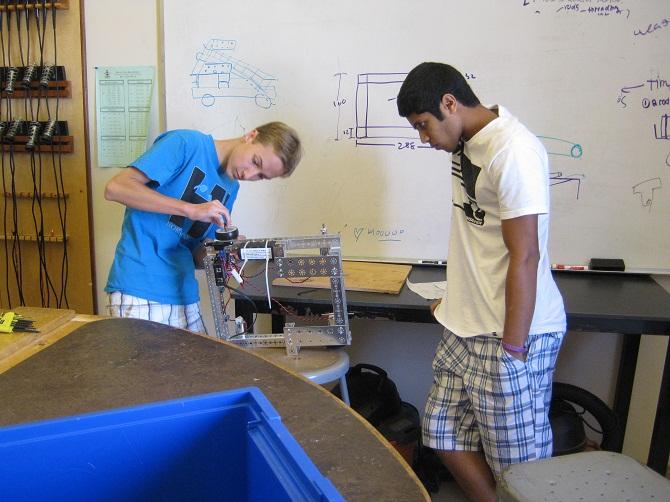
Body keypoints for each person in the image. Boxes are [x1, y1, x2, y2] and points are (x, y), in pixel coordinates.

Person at [397, 62, 566, 501]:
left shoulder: (512, 152)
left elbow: (524, 254)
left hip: (507, 331)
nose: (424, 138)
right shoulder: (466, 141)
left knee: (520, 467)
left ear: (449, 103)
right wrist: (455, 301)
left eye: (424, 126)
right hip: (466, 324)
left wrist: (513, 347)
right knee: (442, 431)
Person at [104, 122, 302, 333]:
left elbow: (197, 256)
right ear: (251, 136)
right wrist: (190, 209)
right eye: (255, 161)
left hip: (185, 294)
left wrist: (223, 251)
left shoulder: (230, 187)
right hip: (140, 290)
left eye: (261, 176)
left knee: (205, 365)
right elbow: (116, 188)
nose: (249, 174)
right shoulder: (185, 144)